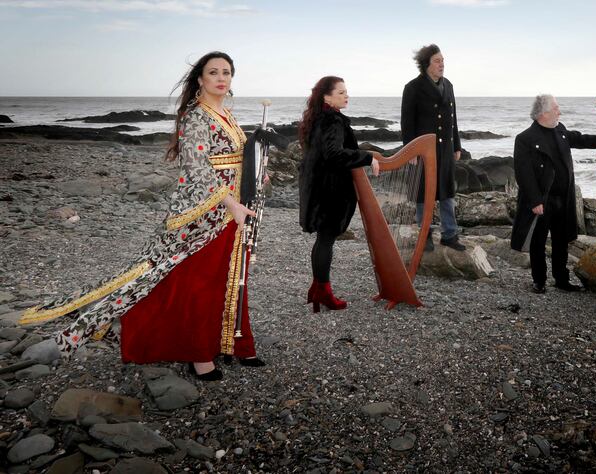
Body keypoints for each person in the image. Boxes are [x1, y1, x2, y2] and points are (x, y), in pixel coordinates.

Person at [19, 51, 265, 381]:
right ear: (200, 80)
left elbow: (238, 158)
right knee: (196, 282)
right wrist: (229, 204)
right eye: (214, 72)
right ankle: (198, 354)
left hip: (234, 205)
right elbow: (196, 166)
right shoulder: (196, 116)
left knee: (230, 277)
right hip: (206, 211)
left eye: (227, 72)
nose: (222, 77)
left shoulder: (227, 115)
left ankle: (234, 343)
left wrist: (257, 173)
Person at [511, 94, 596, 294]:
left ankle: (561, 279)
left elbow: (579, 138)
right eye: (556, 108)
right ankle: (539, 281)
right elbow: (523, 174)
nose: (560, 111)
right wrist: (535, 201)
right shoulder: (525, 139)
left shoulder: (559, 130)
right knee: (538, 242)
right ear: (544, 113)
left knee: (561, 240)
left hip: (564, 196)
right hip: (542, 199)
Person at [298, 76, 381, 312]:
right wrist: (368, 157)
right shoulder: (332, 120)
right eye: (342, 92)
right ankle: (323, 292)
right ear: (327, 96)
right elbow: (333, 154)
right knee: (326, 240)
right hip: (330, 190)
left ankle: (317, 288)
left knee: (323, 240)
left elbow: (323, 152)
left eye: (347, 92)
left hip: (319, 187)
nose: (347, 96)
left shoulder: (319, 118)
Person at [401, 44, 465, 251]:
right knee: (422, 193)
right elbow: (407, 122)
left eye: (443, 60)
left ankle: (449, 234)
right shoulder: (413, 87)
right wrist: (409, 150)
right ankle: (425, 234)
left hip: (445, 148)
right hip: (422, 150)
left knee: (447, 192)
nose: (442, 64)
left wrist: (457, 145)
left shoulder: (449, 85)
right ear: (426, 64)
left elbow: (453, 119)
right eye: (437, 61)